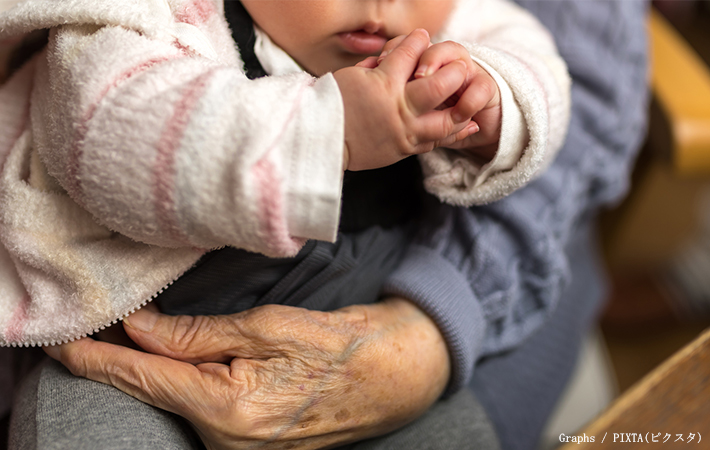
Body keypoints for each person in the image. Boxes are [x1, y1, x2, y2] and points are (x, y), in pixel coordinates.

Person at [5, 0, 649, 449]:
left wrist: (496, 103)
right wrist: (326, 133)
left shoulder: (447, 25)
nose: (384, 2)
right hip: (151, 347)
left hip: (370, 321)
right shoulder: (155, 18)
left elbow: (544, 66)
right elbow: (107, 139)